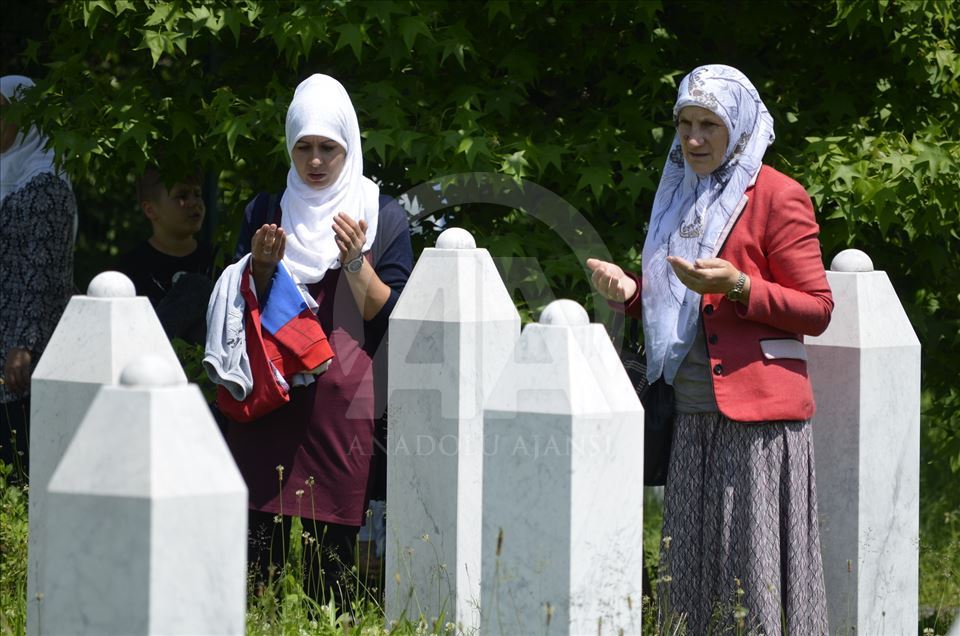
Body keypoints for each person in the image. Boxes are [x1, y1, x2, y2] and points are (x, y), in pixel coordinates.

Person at [587, 65, 832, 634]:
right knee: (691, 579)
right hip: (691, 411)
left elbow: (818, 308)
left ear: (739, 128)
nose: (693, 139)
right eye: (685, 124)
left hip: (758, 419)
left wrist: (740, 285)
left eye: (709, 125)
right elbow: (677, 300)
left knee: (753, 578)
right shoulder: (678, 194)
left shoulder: (778, 195)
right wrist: (630, 292)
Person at [223, 73, 413, 605]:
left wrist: (355, 262)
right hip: (267, 404)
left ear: (347, 146)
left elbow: (394, 323)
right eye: (303, 147)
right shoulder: (266, 211)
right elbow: (237, 306)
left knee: (329, 579)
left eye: (328, 148)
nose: (314, 161)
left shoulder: (382, 216)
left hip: (340, 417)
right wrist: (260, 268)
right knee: (254, 574)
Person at [0, 75, 78, 483]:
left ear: (26, 118)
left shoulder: (45, 184)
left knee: (20, 466)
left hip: (25, 350)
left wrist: (24, 346)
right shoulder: (10, 175)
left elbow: (42, 271)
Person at [116, 165, 213, 344]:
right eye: (182, 196)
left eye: (197, 194)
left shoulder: (218, 262)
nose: (194, 202)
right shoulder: (129, 271)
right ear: (150, 210)